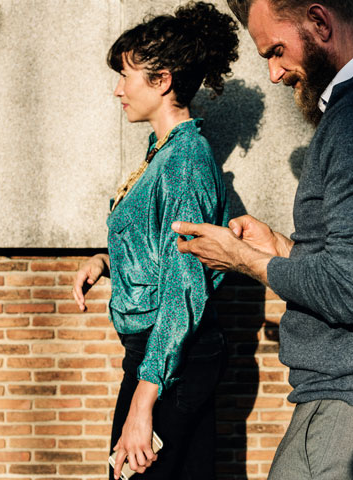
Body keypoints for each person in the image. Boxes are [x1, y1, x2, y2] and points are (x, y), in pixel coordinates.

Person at [171, 0, 353, 478]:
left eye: (277, 51)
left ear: (319, 22)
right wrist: (278, 247)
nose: (275, 74)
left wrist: (243, 260)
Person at [71, 3, 238, 479]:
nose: (118, 89)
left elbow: (185, 287)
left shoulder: (184, 160)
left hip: (168, 359)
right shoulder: (162, 152)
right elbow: (161, 248)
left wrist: (144, 403)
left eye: (127, 76)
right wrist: (107, 261)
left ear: (162, 79)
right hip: (161, 356)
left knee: (128, 470)